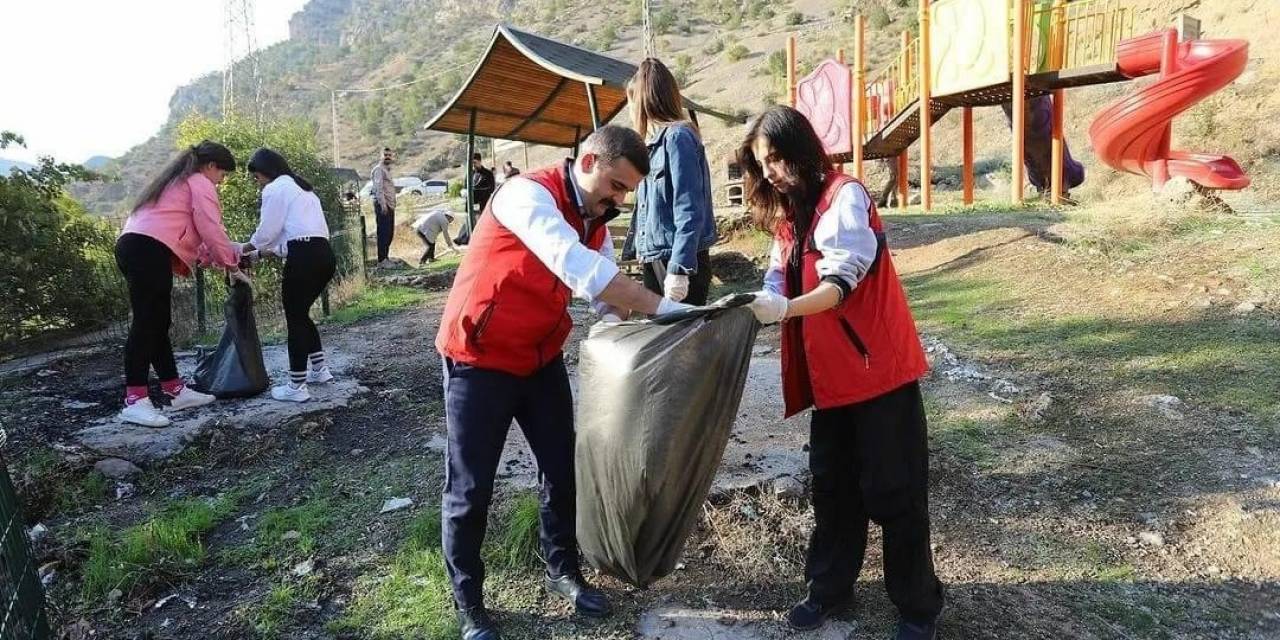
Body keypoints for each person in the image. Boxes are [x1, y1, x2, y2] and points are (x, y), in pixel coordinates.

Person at [436, 125, 692, 640]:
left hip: (539, 359)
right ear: (589, 161)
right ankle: (469, 604)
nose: (619, 200)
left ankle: (563, 571)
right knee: (470, 488)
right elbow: (576, 266)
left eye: (626, 192)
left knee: (562, 470)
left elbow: (605, 297)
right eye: (616, 186)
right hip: (479, 356)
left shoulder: (595, 218)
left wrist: (626, 323)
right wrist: (667, 309)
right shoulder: (525, 195)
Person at [738, 106, 945, 640]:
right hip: (831, 380)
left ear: (802, 149)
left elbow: (838, 284)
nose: (772, 173)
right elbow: (778, 274)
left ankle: (918, 606)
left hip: (878, 373)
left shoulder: (844, 198)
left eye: (777, 159)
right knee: (832, 488)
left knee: (896, 490)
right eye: (763, 164)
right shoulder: (791, 214)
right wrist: (763, 299)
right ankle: (829, 588)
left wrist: (785, 309)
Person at [114, 141, 251, 427]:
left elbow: (194, 236)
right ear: (210, 166)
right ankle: (135, 400)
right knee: (146, 323)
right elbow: (211, 227)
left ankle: (174, 390)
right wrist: (231, 266)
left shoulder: (176, 182)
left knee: (158, 322)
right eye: (222, 174)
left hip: (140, 247)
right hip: (146, 249)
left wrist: (218, 259)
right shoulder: (199, 182)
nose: (221, 181)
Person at [239, 148, 337, 403]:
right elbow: (289, 239)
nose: (257, 183)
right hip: (323, 255)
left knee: (295, 319)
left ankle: (296, 386)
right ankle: (320, 369)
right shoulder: (303, 189)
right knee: (300, 314)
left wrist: (243, 249)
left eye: (256, 177)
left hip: (303, 258)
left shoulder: (275, 189)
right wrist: (258, 254)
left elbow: (267, 233)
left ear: (265, 172)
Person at [627, 58, 718, 305]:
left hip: (677, 259)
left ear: (642, 101)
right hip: (656, 257)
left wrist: (679, 268)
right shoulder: (652, 146)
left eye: (631, 101)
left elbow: (689, 207)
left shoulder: (678, 138)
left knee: (682, 329)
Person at [370, 147, 397, 267]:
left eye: (389, 155)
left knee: (389, 233)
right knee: (383, 233)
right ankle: (382, 260)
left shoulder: (387, 170)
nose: (387, 157)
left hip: (390, 205)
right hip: (383, 205)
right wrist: (383, 205)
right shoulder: (378, 170)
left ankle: (386, 258)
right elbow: (378, 188)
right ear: (381, 156)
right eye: (385, 155)